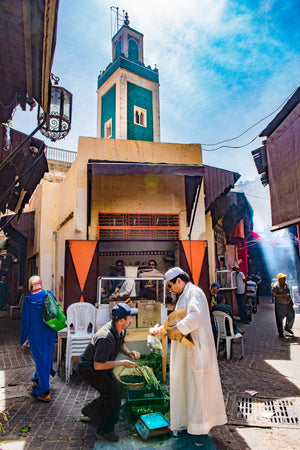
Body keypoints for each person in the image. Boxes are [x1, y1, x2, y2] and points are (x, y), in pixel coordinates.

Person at [153, 267, 227, 437]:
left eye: (171, 286)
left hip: (196, 350)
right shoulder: (184, 295)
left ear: (179, 280)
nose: (170, 289)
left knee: (197, 389)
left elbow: (194, 317)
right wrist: (164, 328)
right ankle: (189, 423)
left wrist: (172, 330)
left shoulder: (195, 293)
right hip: (188, 349)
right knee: (189, 387)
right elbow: (179, 318)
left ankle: (198, 427)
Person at [76, 302, 140, 442]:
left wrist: (129, 353)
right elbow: (98, 365)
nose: (131, 320)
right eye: (130, 318)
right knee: (114, 393)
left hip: (100, 366)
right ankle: (105, 430)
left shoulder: (120, 329)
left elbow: (121, 342)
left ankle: (91, 411)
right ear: (122, 320)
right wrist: (121, 363)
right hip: (89, 369)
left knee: (115, 390)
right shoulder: (106, 337)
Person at [20, 276, 56, 402]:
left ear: (30, 286)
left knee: (40, 360)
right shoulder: (48, 294)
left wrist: (23, 340)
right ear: (41, 284)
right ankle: (36, 380)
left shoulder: (28, 300)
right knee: (45, 357)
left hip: (35, 334)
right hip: (49, 331)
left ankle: (45, 391)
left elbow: (25, 322)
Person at [271, 273, 295, 338]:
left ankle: (287, 327)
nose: (284, 279)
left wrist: (291, 301)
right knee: (279, 319)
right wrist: (283, 296)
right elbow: (274, 295)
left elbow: (289, 293)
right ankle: (280, 332)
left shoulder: (286, 285)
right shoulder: (276, 286)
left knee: (291, 316)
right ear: (279, 279)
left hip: (288, 304)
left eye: (285, 278)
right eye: (283, 278)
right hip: (280, 304)